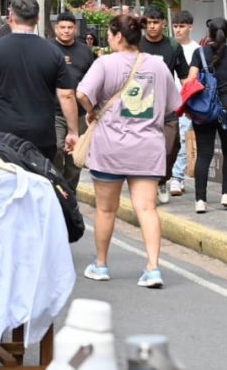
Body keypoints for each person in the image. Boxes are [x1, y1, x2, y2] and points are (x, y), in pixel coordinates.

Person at [74, 14, 181, 288]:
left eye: (110, 35)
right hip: (147, 147)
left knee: (106, 210)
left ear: (118, 36)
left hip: (110, 148)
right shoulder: (157, 65)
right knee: (147, 208)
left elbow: (82, 93)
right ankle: (153, 268)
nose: (108, 40)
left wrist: (92, 112)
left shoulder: (104, 63)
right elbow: (172, 104)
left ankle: (100, 265)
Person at [0, 0, 78, 161]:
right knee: (40, 182)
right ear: (38, 18)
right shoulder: (53, 52)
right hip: (42, 135)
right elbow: (66, 95)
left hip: (3, 135)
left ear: (11, 17)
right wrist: (73, 131)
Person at [186, 18, 227, 213]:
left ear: (209, 34)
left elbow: (191, 81)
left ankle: (200, 201)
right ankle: (226, 195)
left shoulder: (199, 53)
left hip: (204, 109)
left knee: (204, 154)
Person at [139, 6, 190, 205]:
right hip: (140, 105)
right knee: (142, 148)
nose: (152, 26)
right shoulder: (136, 44)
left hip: (167, 105)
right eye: (149, 22)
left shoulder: (173, 46)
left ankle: (162, 180)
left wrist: (190, 102)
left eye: (156, 22)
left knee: (171, 146)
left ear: (163, 24)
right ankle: (144, 182)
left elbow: (185, 77)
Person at [51, 11, 94, 190]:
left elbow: (92, 80)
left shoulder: (85, 51)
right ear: (56, 28)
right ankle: (56, 187)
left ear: (75, 29)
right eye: (62, 27)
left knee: (75, 157)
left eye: (70, 27)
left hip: (79, 113)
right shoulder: (48, 49)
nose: (66, 31)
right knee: (57, 150)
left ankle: (70, 192)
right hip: (54, 111)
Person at [169, 10, 200, 197]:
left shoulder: (196, 49)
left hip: (184, 100)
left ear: (190, 27)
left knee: (181, 138)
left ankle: (177, 176)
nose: (178, 30)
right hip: (164, 100)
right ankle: (168, 175)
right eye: (175, 26)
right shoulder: (168, 46)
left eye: (181, 26)